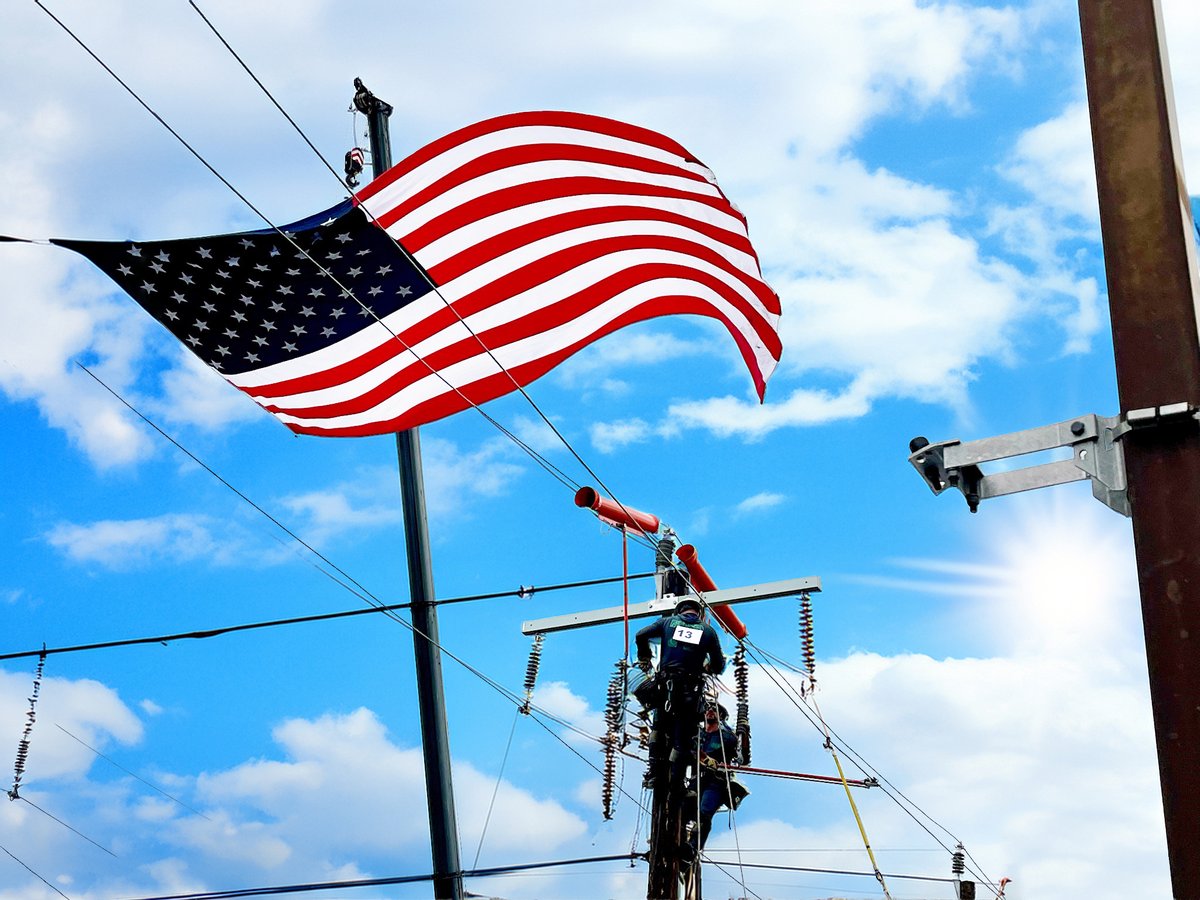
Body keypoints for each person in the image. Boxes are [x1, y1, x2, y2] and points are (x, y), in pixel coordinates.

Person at [634, 596, 726, 788]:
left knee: (658, 728)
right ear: (699, 613)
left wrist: (644, 657)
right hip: (690, 693)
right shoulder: (708, 631)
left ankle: (654, 773)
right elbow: (718, 665)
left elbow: (641, 634)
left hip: (665, 687)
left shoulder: (667, 622)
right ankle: (676, 782)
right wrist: (708, 668)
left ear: (679, 611)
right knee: (682, 740)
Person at [682, 703, 749, 863]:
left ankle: (691, 849)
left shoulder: (727, 737)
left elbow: (742, 757)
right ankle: (680, 848)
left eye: (715, 710)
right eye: (708, 710)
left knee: (704, 813)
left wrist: (744, 734)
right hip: (696, 779)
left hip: (716, 781)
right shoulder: (697, 736)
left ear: (721, 716)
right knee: (683, 812)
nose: (710, 712)